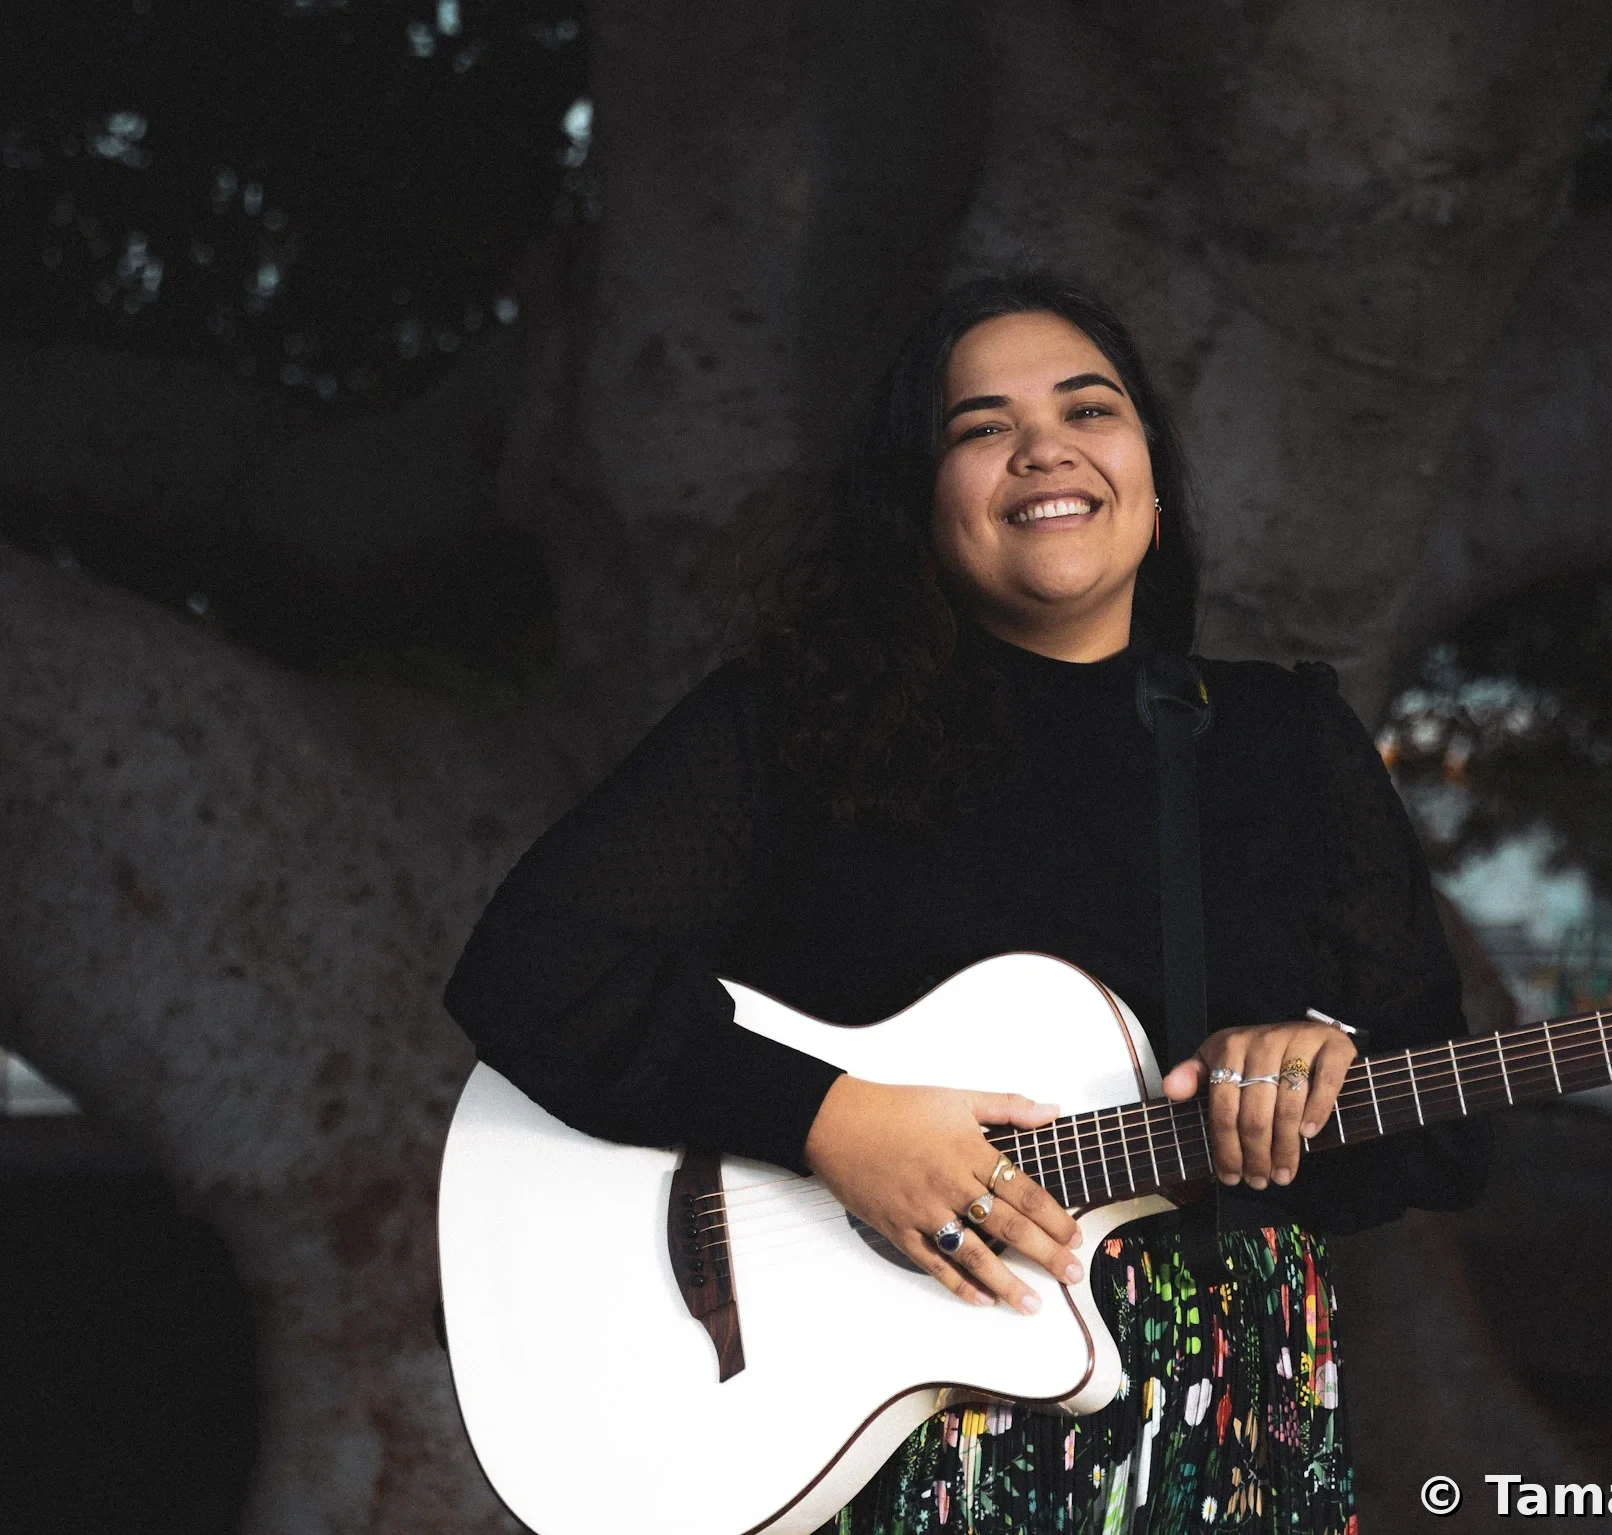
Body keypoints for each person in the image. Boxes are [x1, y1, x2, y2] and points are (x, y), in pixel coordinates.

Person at [443, 271, 1490, 1534]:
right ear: (920, 508)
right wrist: (830, 1120)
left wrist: (1322, 1057)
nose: (1043, 444)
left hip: (1223, 1418)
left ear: (1152, 489)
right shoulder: (790, 727)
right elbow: (531, 962)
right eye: (979, 425)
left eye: (1089, 408)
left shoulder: (1284, 739)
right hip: (876, 1433)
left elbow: (1439, 1117)